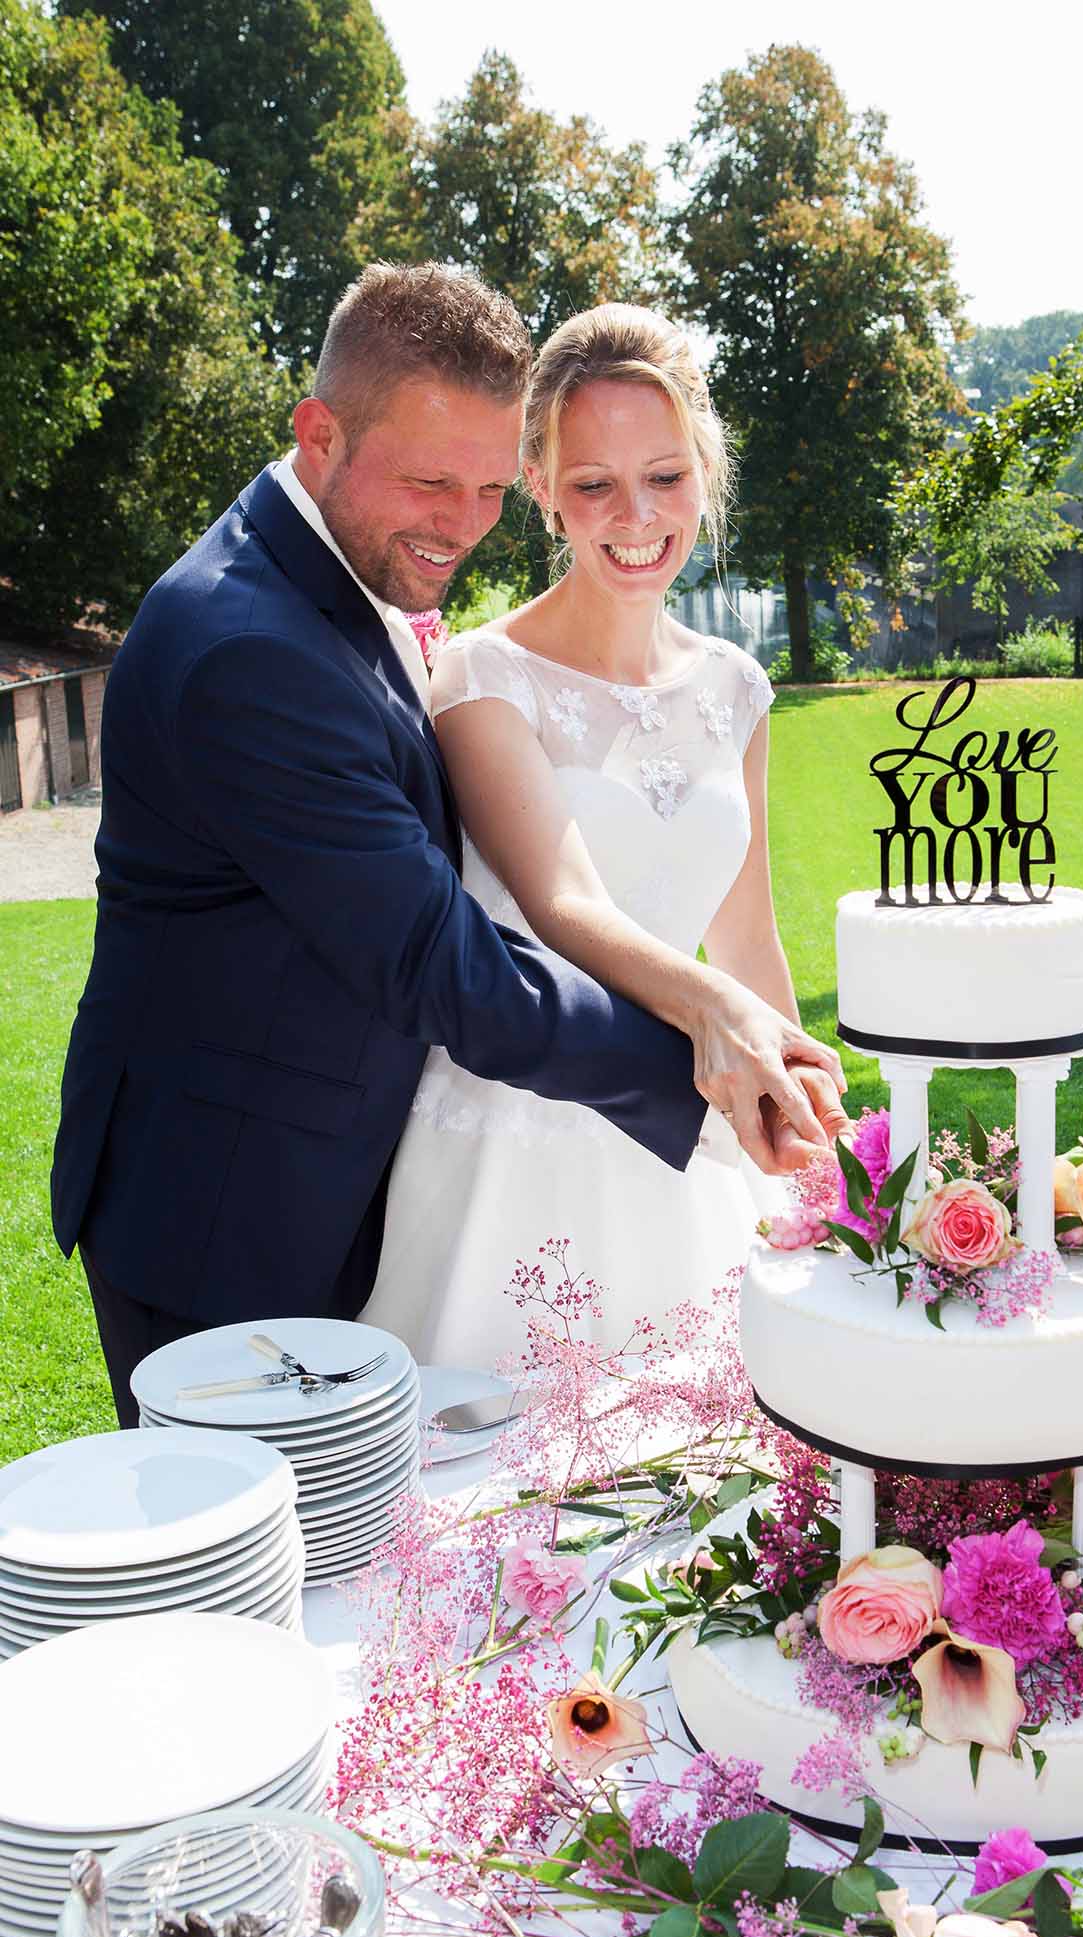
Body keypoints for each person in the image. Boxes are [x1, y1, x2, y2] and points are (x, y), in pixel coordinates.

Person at [51, 264, 842, 1426]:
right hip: (228, 1203)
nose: (465, 525)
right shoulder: (247, 641)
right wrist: (715, 1064)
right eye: (432, 482)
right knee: (288, 1564)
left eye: (482, 485)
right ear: (318, 433)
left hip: (336, 1167)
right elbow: (440, 958)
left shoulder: (326, 575)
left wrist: (771, 1065)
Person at [362, 302, 826, 1372]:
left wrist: (796, 1100)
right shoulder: (479, 677)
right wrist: (721, 1018)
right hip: (519, 1145)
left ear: (704, 473)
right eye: (593, 483)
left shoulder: (735, 688)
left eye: (665, 476)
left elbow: (748, 942)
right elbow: (566, 907)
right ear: (540, 486)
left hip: (701, 1141)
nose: (635, 514)